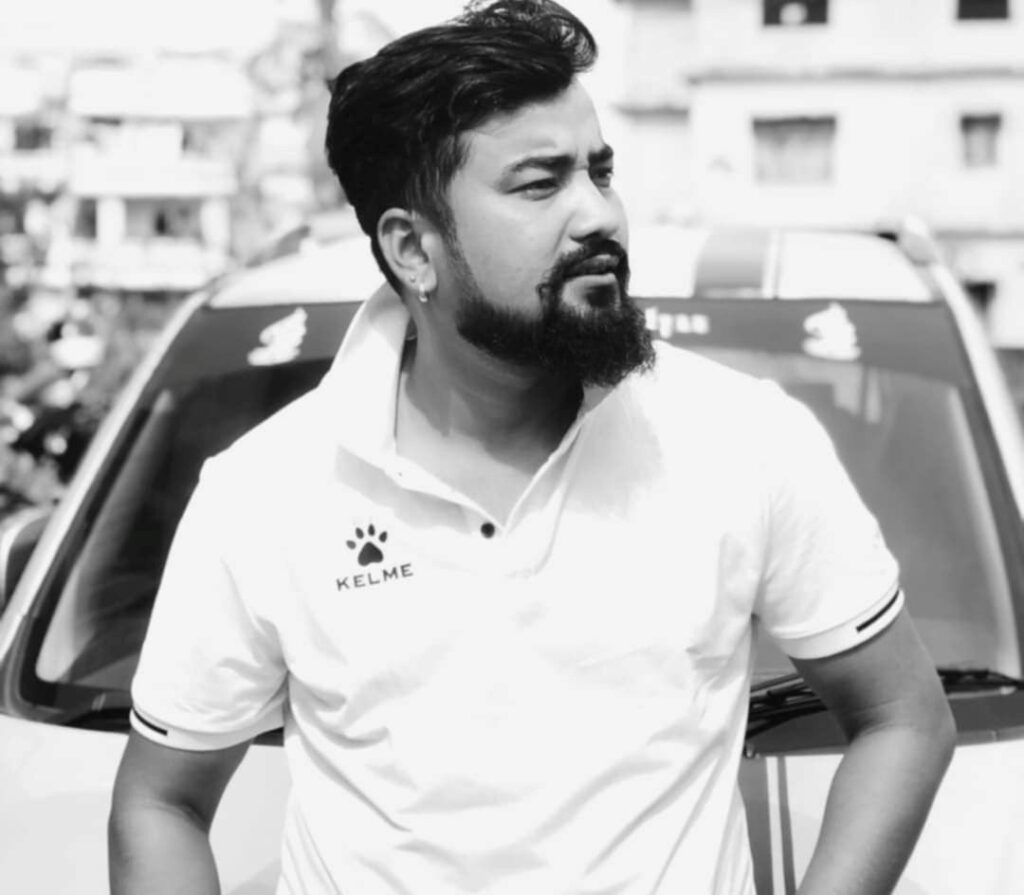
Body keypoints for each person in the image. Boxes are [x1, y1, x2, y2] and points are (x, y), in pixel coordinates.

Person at [108, 2, 955, 893]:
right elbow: (160, 802)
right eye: (540, 185)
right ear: (413, 250)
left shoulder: (741, 436)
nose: (599, 215)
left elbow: (903, 716)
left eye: (600, 171)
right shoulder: (264, 490)